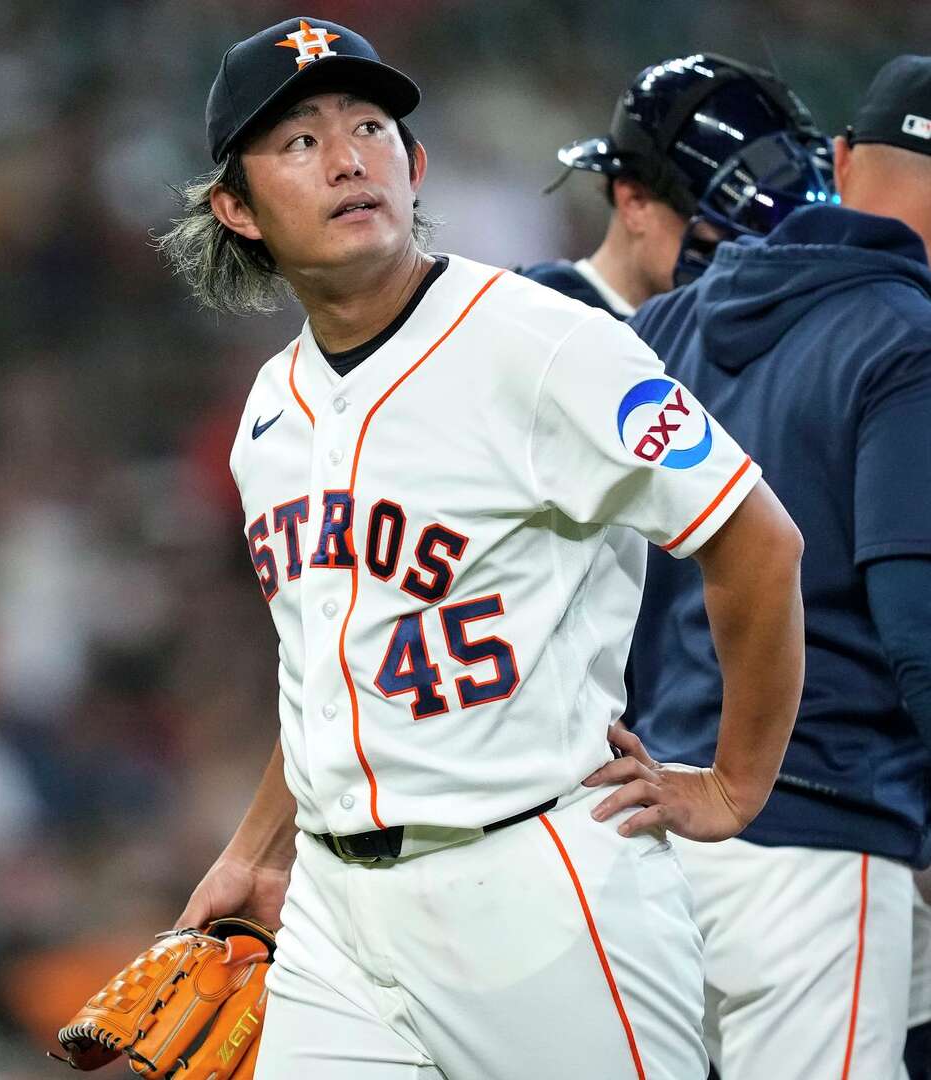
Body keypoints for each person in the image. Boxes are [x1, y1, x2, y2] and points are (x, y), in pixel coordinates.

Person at [157, 18, 805, 1079]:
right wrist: (255, 847)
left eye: (369, 126)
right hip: (335, 920)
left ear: (413, 168)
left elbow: (757, 539)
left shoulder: (543, 344)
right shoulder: (269, 411)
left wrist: (736, 784)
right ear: (237, 207)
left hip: (536, 891)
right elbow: (327, 666)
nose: (349, 156)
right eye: (300, 141)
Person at [621, 54, 931, 1080]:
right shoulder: (910, 341)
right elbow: (916, 617)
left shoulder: (660, 327)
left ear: (839, 161)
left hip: (645, 834)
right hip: (822, 834)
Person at [520, 53, 835, 317]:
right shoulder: (534, 321)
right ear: (635, 202)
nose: (741, 264)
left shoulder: (746, 338)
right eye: (716, 244)